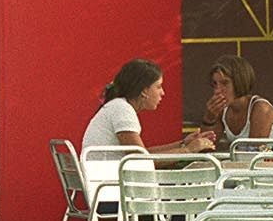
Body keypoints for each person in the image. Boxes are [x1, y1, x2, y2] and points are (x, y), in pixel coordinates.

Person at [82, 58, 217, 154]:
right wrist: (189, 150)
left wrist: (183, 144)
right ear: (144, 91)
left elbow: (142, 153)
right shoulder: (122, 109)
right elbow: (141, 160)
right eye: (158, 86)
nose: (162, 93)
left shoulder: (118, 106)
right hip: (111, 186)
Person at [200, 54, 273, 146]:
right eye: (214, 84)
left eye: (225, 83)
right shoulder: (223, 110)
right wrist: (210, 118)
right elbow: (206, 147)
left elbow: (253, 150)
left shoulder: (260, 108)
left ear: (239, 82)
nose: (217, 90)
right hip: (244, 160)